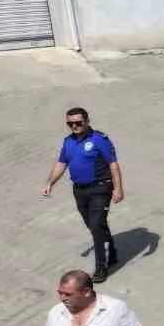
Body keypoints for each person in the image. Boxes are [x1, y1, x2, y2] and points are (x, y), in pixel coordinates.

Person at [42, 106, 122, 281]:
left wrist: (118, 189)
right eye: (70, 124)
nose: (75, 126)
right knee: (95, 225)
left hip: (101, 188)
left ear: (87, 121)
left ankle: (101, 267)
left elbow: (113, 164)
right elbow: (61, 164)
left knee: (96, 225)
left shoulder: (99, 139)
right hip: (79, 190)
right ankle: (111, 252)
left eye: (78, 123)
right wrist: (50, 183)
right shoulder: (68, 141)